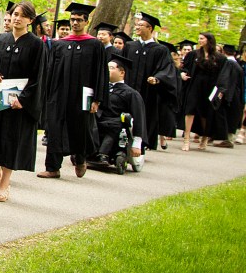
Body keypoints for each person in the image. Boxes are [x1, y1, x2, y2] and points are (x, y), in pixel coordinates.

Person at [38, 2, 108, 180]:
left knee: (80, 128)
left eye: (79, 20)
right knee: (54, 128)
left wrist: (96, 99)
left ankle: (80, 158)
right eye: (72, 19)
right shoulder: (60, 44)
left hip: (82, 95)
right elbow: (50, 70)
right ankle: (52, 167)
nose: (75, 23)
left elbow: (100, 73)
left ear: (86, 21)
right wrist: (47, 94)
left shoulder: (94, 45)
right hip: (58, 94)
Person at [0, 1, 46, 202]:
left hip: (18, 103)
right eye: (14, 14)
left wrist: (24, 99)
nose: (16, 18)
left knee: (10, 143)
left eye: (22, 15)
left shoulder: (37, 45)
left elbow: (39, 76)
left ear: (30, 20)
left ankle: (4, 184)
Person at [124, 11, 179, 152]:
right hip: (128, 88)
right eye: (137, 24)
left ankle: (143, 142)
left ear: (150, 28)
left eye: (141, 25)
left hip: (148, 91)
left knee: (146, 115)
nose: (137, 27)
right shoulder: (130, 46)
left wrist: (157, 78)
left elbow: (167, 69)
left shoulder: (160, 50)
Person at [179, 32, 227, 150]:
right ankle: (186, 139)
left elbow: (223, 75)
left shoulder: (220, 58)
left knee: (206, 114)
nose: (199, 40)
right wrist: (182, 74)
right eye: (199, 38)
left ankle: (205, 137)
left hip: (210, 88)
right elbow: (184, 67)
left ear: (209, 40)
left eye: (202, 38)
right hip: (195, 85)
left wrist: (221, 90)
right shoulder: (193, 54)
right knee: (190, 111)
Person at [96, 55, 147, 165]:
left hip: (115, 124)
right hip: (98, 120)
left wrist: (137, 143)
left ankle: (103, 154)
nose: (107, 70)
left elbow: (139, 117)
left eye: (111, 68)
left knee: (115, 125)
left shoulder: (131, 93)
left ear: (122, 73)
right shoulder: (100, 88)